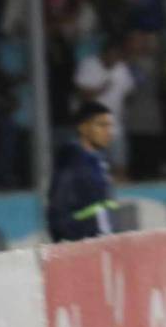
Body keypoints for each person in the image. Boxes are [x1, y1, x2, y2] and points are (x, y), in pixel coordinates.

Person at [46, 101, 118, 242]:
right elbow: (58, 208)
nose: (109, 131)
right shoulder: (71, 161)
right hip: (83, 245)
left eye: (110, 125)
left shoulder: (99, 160)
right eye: (102, 125)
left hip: (103, 242)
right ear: (83, 128)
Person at [74, 36, 136, 177]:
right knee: (92, 167)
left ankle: (120, 196)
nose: (114, 61)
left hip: (115, 126)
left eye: (117, 57)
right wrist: (102, 89)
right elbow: (82, 94)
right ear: (104, 53)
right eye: (112, 56)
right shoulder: (89, 64)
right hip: (92, 126)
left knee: (120, 165)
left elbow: (129, 93)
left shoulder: (121, 68)